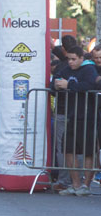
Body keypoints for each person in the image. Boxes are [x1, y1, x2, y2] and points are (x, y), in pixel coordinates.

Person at [53, 46, 99, 196]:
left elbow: (91, 85)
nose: (71, 62)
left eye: (74, 59)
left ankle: (85, 185)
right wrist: (56, 84)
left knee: (88, 151)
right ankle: (76, 184)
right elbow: (55, 79)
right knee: (68, 149)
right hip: (72, 115)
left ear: (81, 58)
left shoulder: (89, 69)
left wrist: (69, 85)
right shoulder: (67, 69)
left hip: (89, 116)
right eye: (69, 59)